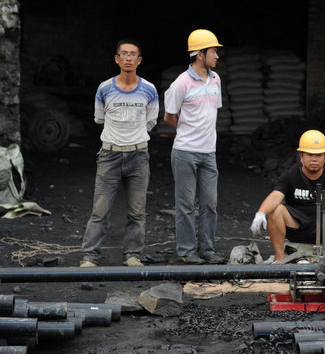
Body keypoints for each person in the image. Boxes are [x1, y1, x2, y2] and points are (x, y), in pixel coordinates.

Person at [80, 39, 159, 267]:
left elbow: (150, 121)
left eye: (132, 54)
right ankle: (90, 257)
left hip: (139, 156)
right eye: (123, 54)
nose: (127, 58)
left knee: (137, 211)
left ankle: (133, 255)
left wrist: (133, 138)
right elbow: (100, 120)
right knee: (100, 211)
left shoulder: (149, 89)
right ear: (116, 59)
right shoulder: (105, 88)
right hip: (109, 156)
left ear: (139, 60)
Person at [163, 29, 226, 265]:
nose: (217, 55)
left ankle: (208, 249)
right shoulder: (181, 83)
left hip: (209, 153)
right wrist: (187, 132)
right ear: (200, 54)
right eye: (213, 51)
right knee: (186, 204)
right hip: (185, 152)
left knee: (210, 204)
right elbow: (169, 116)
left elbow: (211, 113)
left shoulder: (215, 79)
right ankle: (187, 251)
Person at [250, 130, 325, 263]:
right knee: (276, 210)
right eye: (309, 155)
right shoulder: (290, 174)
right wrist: (260, 213)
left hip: (323, 227)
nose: (314, 159)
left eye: (318, 155)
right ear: (301, 156)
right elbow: (276, 195)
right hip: (297, 225)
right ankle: (280, 258)